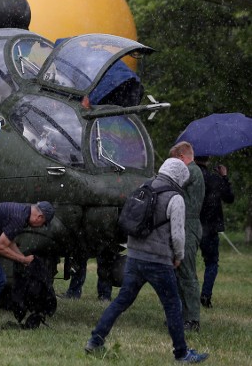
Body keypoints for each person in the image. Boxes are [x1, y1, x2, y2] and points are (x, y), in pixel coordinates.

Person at [84, 158, 209, 363]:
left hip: (134, 256)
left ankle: (95, 340)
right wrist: (178, 256)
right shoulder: (175, 198)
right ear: (179, 177)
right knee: (173, 306)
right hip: (158, 260)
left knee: (121, 301)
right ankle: (181, 353)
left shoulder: (143, 187)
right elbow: (178, 235)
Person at [0, 201, 55, 323]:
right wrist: (22, 259)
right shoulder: (19, 219)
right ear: (39, 217)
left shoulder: (21, 212)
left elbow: (9, 241)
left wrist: (23, 259)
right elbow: (0, 247)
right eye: (43, 224)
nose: (41, 226)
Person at [170, 141, 205, 332]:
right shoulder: (191, 171)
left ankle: (192, 319)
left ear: (182, 158)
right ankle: (182, 316)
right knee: (178, 273)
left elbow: (170, 180)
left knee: (187, 274)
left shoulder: (192, 171)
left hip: (188, 226)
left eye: (175, 160)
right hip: (183, 224)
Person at [197, 158, 234, 309]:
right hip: (210, 228)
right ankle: (206, 295)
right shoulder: (214, 179)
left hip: (190, 226)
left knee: (185, 263)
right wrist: (224, 176)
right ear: (208, 159)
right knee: (211, 262)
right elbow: (229, 198)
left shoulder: (189, 176)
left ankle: (184, 296)